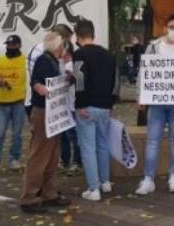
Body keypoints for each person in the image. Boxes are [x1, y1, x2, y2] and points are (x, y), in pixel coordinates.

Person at [135, 14, 174, 196]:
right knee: (152, 141)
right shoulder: (154, 46)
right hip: (157, 102)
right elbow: (144, 71)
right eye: (172, 26)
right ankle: (148, 179)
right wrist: (140, 95)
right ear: (166, 27)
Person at [21, 31, 72, 214]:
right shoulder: (44, 60)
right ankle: (29, 196)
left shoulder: (51, 60)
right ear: (58, 47)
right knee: (41, 154)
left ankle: (48, 191)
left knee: (52, 154)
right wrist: (39, 87)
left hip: (52, 111)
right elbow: (36, 81)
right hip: (43, 111)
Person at [73, 19, 118, 202]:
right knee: (102, 144)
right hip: (105, 106)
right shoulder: (109, 55)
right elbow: (116, 81)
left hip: (88, 106)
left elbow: (80, 79)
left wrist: (80, 104)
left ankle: (93, 188)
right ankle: (105, 182)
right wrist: (112, 102)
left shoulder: (79, 54)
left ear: (78, 35)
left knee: (88, 148)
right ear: (93, 34)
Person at [0, 35, 27, 174]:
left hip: (19, 102)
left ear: (19, 45)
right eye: (8, 45)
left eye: (13, 45)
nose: (10, 47)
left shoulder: (24, 60)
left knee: (17, 134)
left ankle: (14, 159)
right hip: (2, 102)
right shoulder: (0, 60)